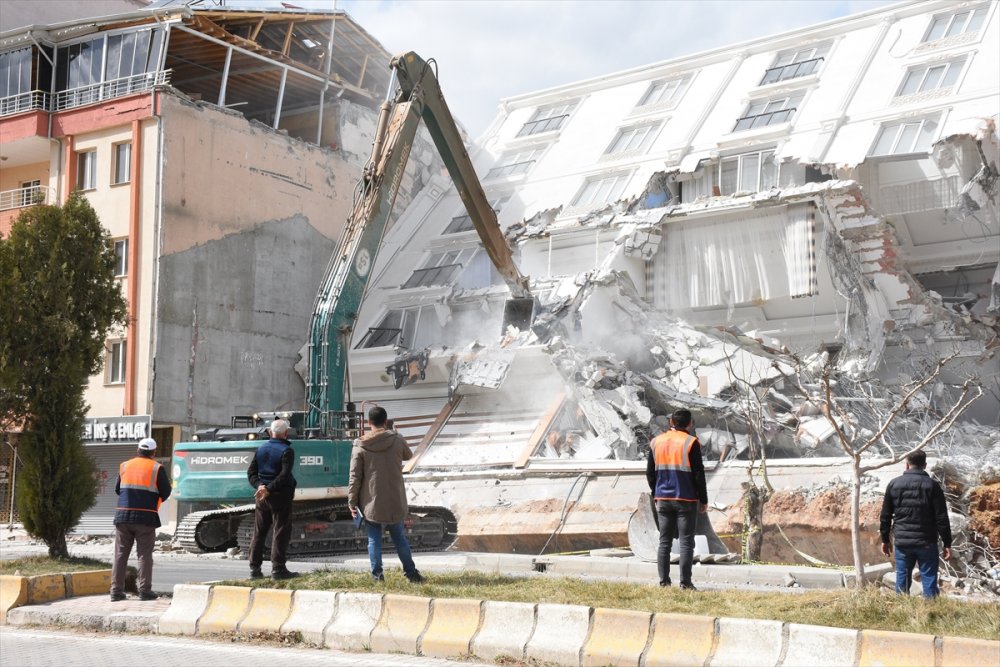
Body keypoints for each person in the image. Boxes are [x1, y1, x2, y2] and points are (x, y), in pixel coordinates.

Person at [348, 406, 425, 583]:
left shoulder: (360, 445)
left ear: (368, 423)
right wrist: (395, 433)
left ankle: (377, 576)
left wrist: (352, 501)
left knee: (374, 540)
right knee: (399, 537)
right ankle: (411, 574)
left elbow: (355, 476)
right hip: (395, 499)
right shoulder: (397, 439)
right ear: (385, 421)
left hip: (372, 502)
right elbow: (408, 455)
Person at [646, 409, 708, 590]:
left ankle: (664, 582)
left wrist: (656, 491)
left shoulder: (656, 442)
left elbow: (650, 473)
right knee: (686, 542)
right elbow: (699, 474)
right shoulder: (691, 442)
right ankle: (685, 583)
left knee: (664, 541)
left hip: (662, 498)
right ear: (689, 424)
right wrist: (703, 499)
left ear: (671, 422)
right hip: (685, 499)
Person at [879, 450, 952, 598]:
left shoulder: (894, 484)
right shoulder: (932, 486)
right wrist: (947, 543)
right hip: (927, 541)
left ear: (906, 464)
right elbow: (942, 518)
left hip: (903, 541)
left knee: (902, 577)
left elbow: (885, 516)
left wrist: (885, 540)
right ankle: (930, 612)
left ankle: (902, 610)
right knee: (929, 577)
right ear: (924, 465)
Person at [110, 437, 171, 601]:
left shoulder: (124, 465)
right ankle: (145, 591)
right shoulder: (157, 468)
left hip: (123, 516)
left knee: (120, 554)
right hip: (146, 517)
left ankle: (116, 591)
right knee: (144, 555)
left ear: (138, 450)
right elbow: (166, 492)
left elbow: (118, 490)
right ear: (154, 452)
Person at [247, 418, 298, 580]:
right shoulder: (287, 451)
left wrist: (260, 486)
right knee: (280, 531)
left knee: (259, 532)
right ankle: (278, 569)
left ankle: (255, 569)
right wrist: (268, 489)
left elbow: (251, 473)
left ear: (270, 432)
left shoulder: (260, 449)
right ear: (285, 433)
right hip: (280, 496)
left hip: (262, 497)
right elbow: (284, 475)